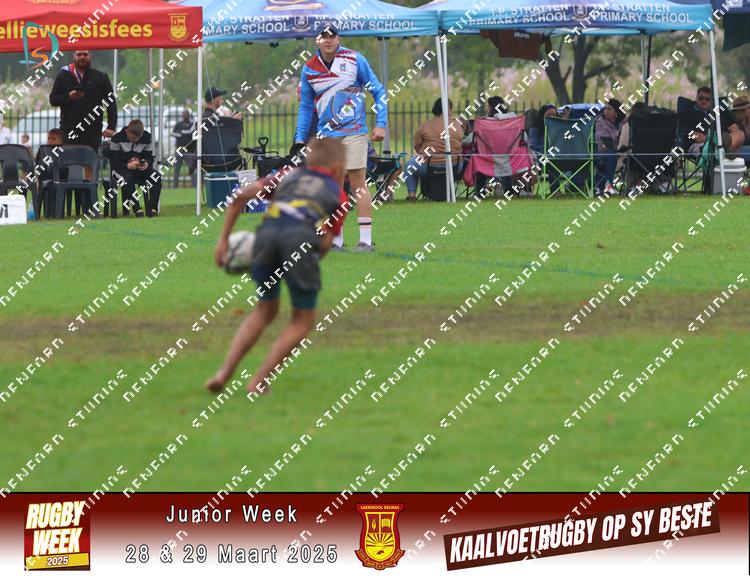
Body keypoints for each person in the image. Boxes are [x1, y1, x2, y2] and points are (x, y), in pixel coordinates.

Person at [205, 138, 349, 396]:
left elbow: (239, 197)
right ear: (338, 168)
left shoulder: (287, 174)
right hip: (299, 238)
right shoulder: (338, 195)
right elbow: (327, 240)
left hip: (266, 233)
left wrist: (223, 241)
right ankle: (258, 381)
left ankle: (223, 374)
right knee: (302, 320)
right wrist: (309, 260)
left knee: (264, 311)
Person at [294, 23, 387, 252]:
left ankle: (365, 240)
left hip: (355, 131)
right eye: (323, 36)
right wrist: (299, 138)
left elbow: (378, 91)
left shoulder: (355, 59)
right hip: (326, 135)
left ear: (338, 38)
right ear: (317, 40)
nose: (328, 40)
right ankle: (336, 240)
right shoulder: (308, 69)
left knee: (357, 182)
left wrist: (381, 124)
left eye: (332, 36)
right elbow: (306, 107)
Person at [49, 49, 116, 154]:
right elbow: (53, 100)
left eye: (85, 54)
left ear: (90, 56)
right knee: (69, 161)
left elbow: (111, 102)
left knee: (89, 161)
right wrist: (69, 97)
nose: (82, 57)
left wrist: (111, 126)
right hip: (69, 130)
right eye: (79, 54)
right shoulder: (63, 75)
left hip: (92, 130)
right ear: (74, 56)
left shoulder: (101, 77)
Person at [404, 98, 467, 201]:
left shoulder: (426, 125)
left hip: (430, 165)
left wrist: (424, 154)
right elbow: (460, 143)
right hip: (454, 166)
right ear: (449, 109)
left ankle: (412, 194)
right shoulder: (457, 125)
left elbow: (416, 145)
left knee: (408, 166)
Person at [109, 120, 162, 217]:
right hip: (121, 170)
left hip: (139, 170)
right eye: (133, 138)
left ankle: (153, 209)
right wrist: (127, 166)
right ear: (127, 131)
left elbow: (150, 157)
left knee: (156, 177)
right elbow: (114, 163)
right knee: (128, 178)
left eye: (138, 138)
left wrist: (146, 164)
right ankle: (137, 209)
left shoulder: (147, 138)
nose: (135, 140)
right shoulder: (116, 139)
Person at [595, 99, 622, 196]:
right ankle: (608, 185)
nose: (606, 111)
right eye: (605, 108)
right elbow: (606, 143)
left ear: (616, 112)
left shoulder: (621, 123)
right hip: (601, 153)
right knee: (611, 154)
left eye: (609, 109)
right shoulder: (600, 123)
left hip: (620, 153)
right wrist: (617, 145)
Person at [616, 101, 647, 173]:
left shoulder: (628, 126)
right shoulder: (655, 127)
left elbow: (621, 149)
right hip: (655, 162)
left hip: (634, 163)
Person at [171, 109, 196, 188]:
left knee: (191, 168)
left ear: (189, 115)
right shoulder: (178, 124)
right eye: (183, 114)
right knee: (176, 169)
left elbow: (191, 134)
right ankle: (175, 186)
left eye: (186, 114)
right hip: (179, 149)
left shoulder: (192, 125)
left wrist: (181, 132)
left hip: (188, 150)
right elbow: (172, 133)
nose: (184, 116)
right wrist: (180, 134)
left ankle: (194, 185)